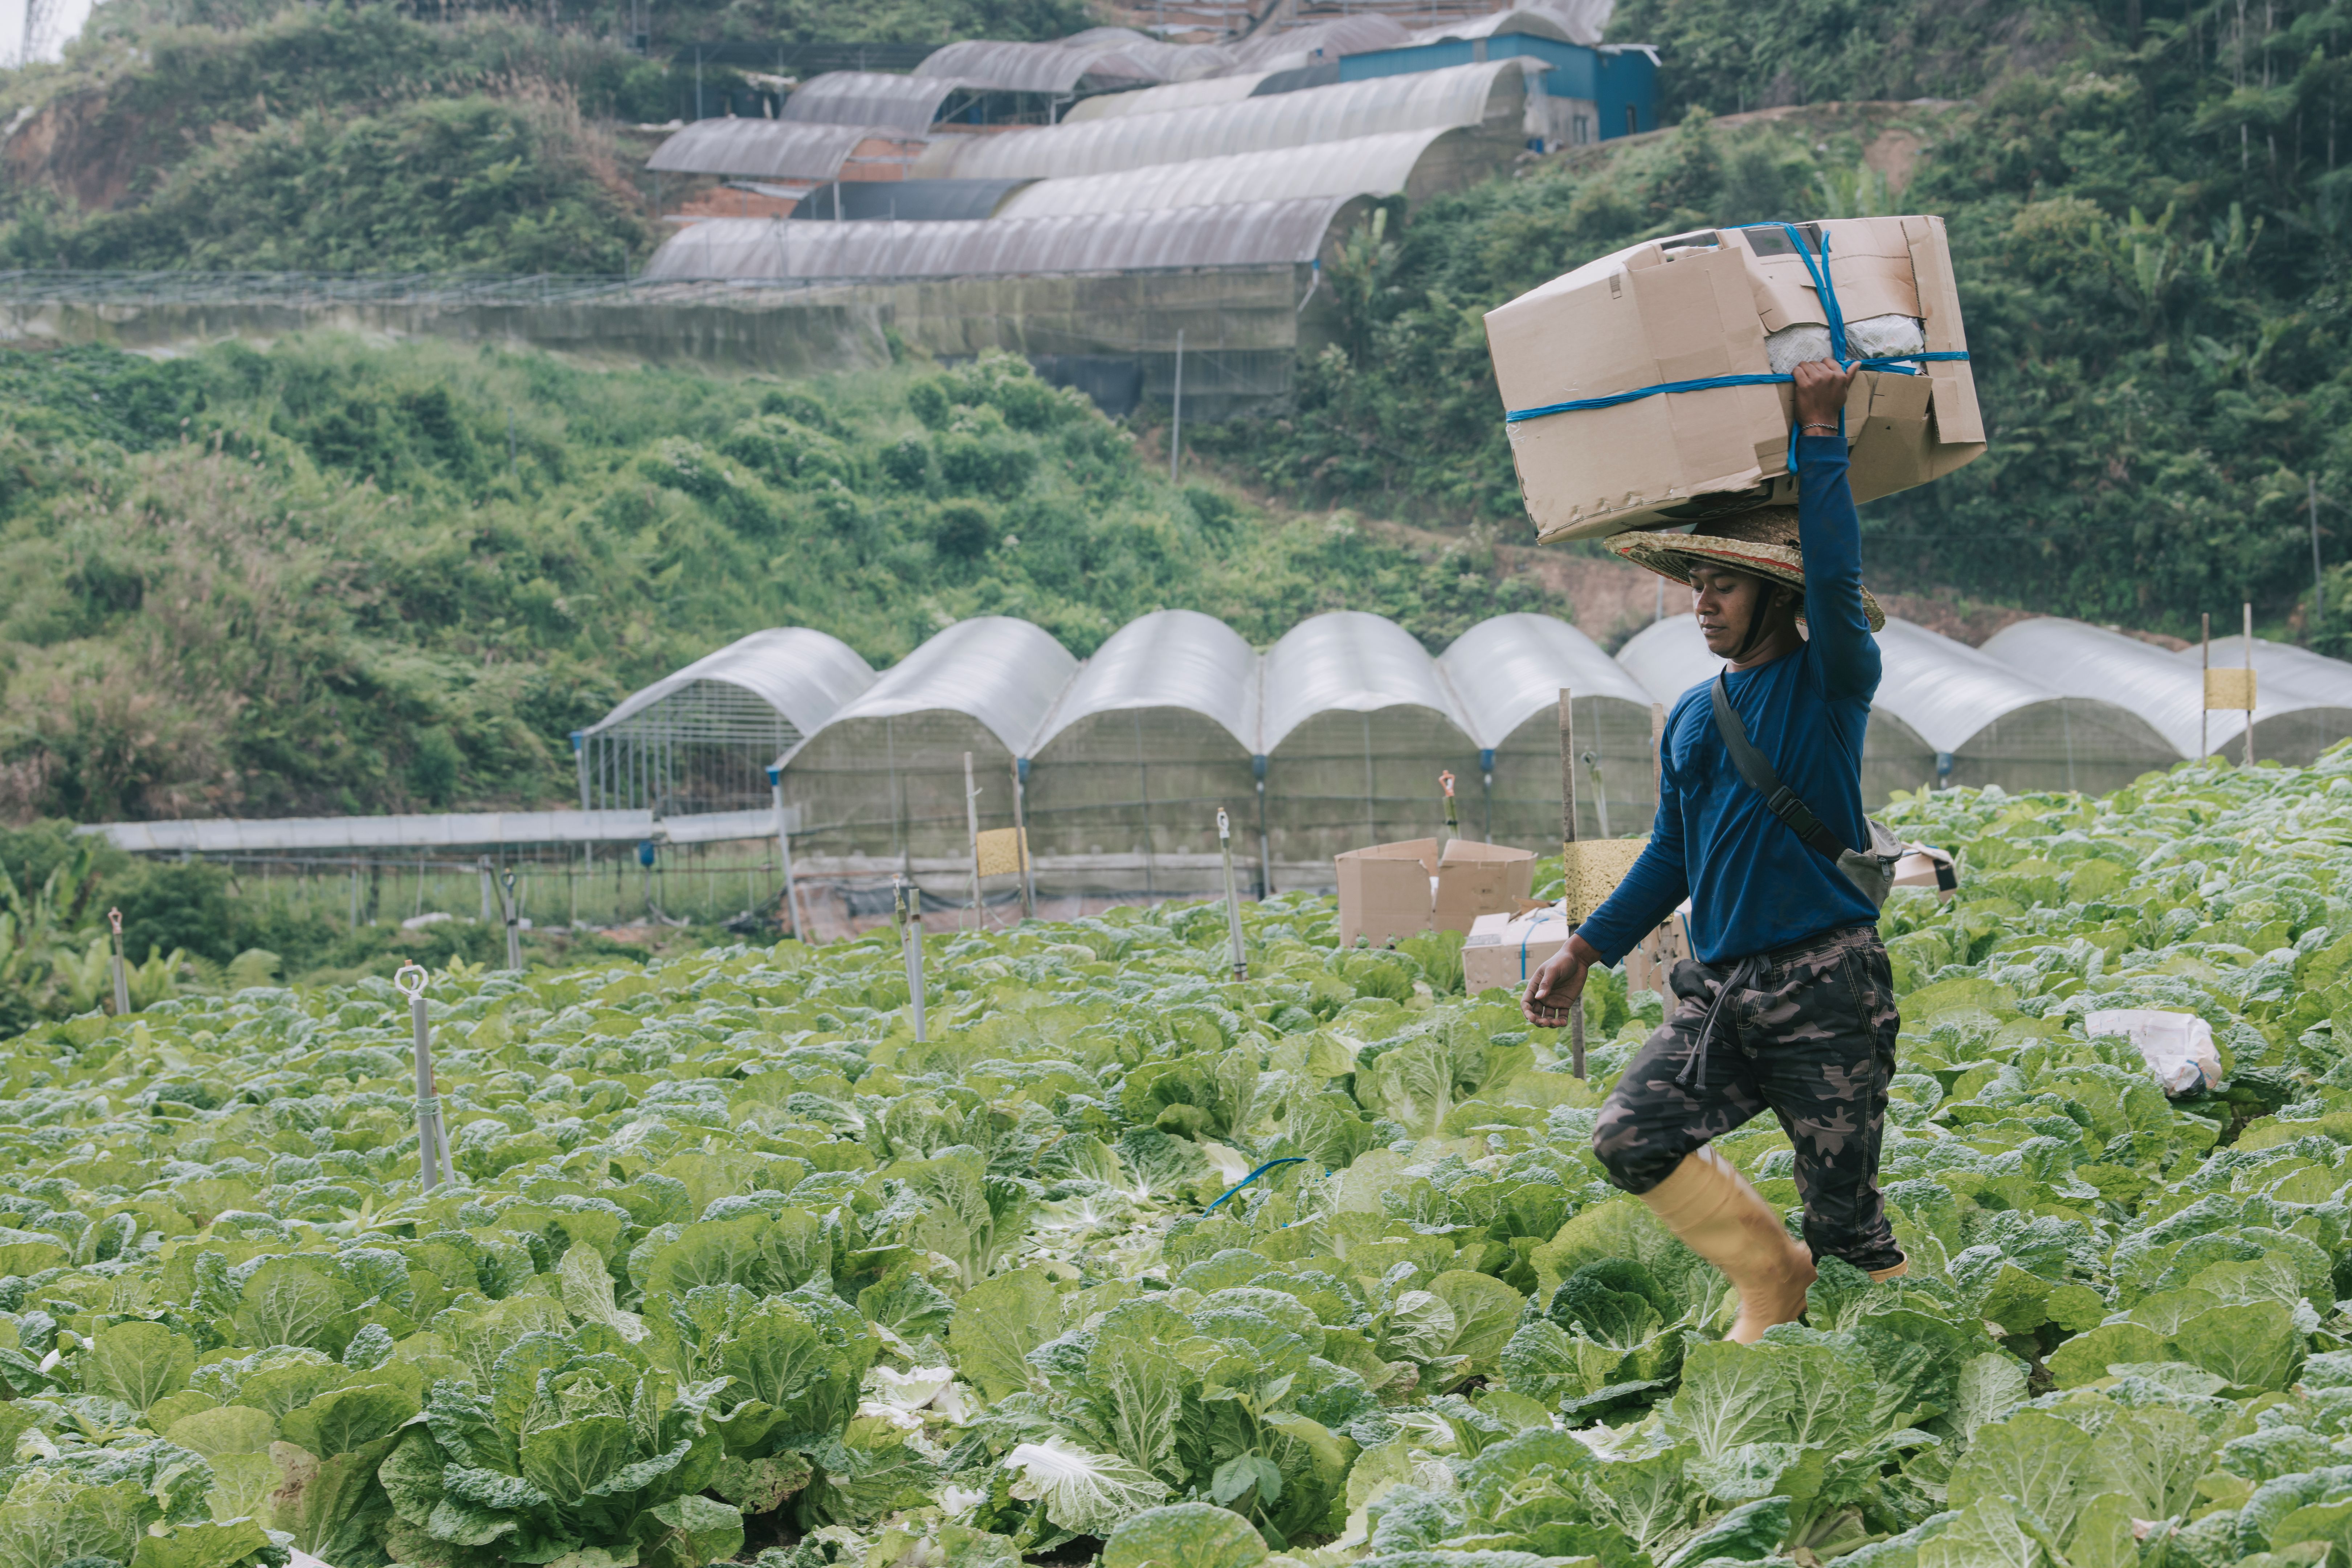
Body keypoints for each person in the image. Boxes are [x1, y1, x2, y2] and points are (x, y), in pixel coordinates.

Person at [1522, 357, 1904, 1344]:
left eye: (1724, 584)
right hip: (1720, 993)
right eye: (1697, 583)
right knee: (1630, 1137)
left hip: (1827, 989)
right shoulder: (1696, 717)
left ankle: (1906, 1358)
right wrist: (1583, 949)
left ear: (1777, 597)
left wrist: (1819, 432)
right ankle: (1772, 1280)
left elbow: (1838, 570)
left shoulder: (1832, 684)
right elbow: (1672, 855)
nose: (1702, 603)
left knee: (1851, 1230)